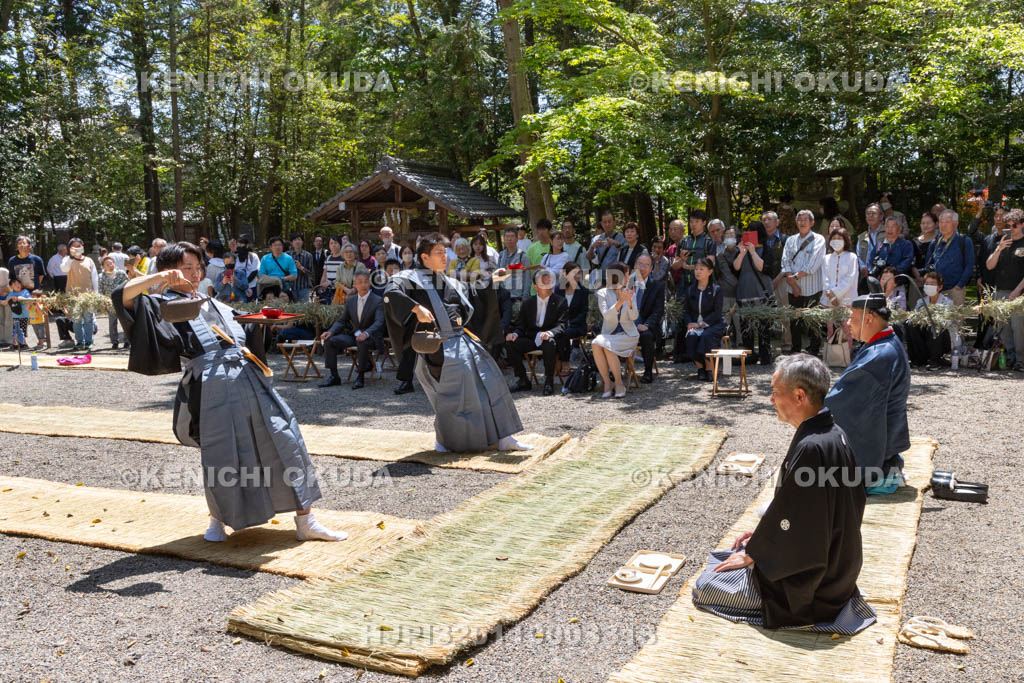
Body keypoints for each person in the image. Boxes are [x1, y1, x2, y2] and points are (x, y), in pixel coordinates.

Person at [113, 241, 347, 543]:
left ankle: (307, 520)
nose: (195, 274)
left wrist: (264, 320)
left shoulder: (213, 302)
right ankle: (217, 520)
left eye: (197, 268)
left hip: (249, 376)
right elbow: (122, 296)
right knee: (222, 453)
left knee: (286, 440)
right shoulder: (162, 305)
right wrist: (160, 279)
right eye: (187, 268)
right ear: (169, 270)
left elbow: (246, 328)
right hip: (211, 385)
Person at [693, 354, 875, 635]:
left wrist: (755, 554)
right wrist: (760, 539)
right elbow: (800, 513)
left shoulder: (813, 446)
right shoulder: (835, 432)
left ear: (799, 395)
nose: (770, 399)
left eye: (775, 392)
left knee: (706, 586)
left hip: (813, 589)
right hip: (840, 570)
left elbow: (794, 519)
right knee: (727, 557)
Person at [382, 233, 530, 452]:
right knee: (456, 397)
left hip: (462, 340)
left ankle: (504, 436)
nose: (444, 257)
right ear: (424, 257)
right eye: (439, 253)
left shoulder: (448, 279)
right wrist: (416, 307)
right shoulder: (408, 277)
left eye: (445, 252)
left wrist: (492, 280)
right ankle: (447, 440)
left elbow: (470, 292)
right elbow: (390, 292)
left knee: (492, 382)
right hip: (438, 347)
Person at [824, 291, 910, 495]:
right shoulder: (886, 342)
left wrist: (814, 408)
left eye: (853, 318)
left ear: (869, 318)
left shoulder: (880, 355)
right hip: (888, 450)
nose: (849, 323)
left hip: (878, 463)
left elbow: (842, 403)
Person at [318, 272, 386, 390]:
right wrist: (331, 331)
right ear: (355, 284)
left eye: (366, 281)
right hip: (354, 335)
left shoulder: (378, 300)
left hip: (372, 337)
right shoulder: (351, 300)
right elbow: (342, 320)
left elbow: (379, 322)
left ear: (370, 283)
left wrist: (366, 333)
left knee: (363, 342)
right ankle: (334, 377)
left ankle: (360, 377)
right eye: (360, 282)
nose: (363, 285)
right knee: (330, 340)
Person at [507, 269, 568, 395]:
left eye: (549, 282)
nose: (548, 286)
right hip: (531, 338)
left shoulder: (560, 301)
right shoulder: (528, 303)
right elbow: (521, 326)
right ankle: (523, 380)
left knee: (549, 342)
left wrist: (549, 333)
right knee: (510, 343)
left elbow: (562, 325)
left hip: (550, 338)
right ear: (536, 287)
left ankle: (548, 381)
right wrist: (515, 334)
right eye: (544, 283)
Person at [780, 210, 826, 356]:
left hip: (813, 286)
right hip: (792, 286)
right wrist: (792, 282)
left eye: (805, 219)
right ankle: (796, 348)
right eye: (799, 219)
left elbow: (813, 263)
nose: (802, 222)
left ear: (812, 223)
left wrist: (796, 278)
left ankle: (814, 349)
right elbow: (785, 260)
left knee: (813, 318)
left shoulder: (819, 239)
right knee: (795, 318)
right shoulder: (790, 240)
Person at [983, 208, 1024, 369]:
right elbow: (989, 265)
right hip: (1000, 291)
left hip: (1019, 294)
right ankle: (1011, 357)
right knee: (1003, 328)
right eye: (1008, 226)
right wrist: (998, 249)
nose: (1010, 229)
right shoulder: (1003, 242)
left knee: (1018, 327)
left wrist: (1017, 291)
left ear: (1022, 225)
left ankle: (1021, 360)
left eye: (1014, 225)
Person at [591, 262, 638, 398]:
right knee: (597, 343)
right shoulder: (602, 293)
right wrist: (620, 302)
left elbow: (634, 316)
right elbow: (607, 315)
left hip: (628, 336)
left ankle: (618, 383)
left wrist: (628, 301)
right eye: (627, 273)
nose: (629, 276)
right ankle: (608, 382)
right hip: (610, 335)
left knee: (605, 345)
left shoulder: (630, 291)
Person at [677, 258, 726, 381]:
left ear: (710, 272)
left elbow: (717, 312)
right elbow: (686, 310)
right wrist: (689, 323)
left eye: (701, 269)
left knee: (707, 336)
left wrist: (701, 324)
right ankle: (700, 368)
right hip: (694, 324)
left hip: (713, 324)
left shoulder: (716, 289)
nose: (698, 272)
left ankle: (709, 368)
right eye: (696, 269)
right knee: (691, 338)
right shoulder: (690, 290)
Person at [734, 222, 776, 365]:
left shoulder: (766, 249)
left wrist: (752, 252)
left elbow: (762, 267)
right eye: (747, 232)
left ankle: (765, 355)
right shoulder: (741, 250)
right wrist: (742, 253)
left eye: (752, 232)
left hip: (761, 292)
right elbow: (736, 267)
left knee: (763, 325)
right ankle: (750, 354)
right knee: (746, 325)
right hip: (744, 291)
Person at [820, 227, 859, 357]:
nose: (836, 241)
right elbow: (825, 278)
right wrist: (830, 295)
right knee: (830, 329)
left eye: (839, 238)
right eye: (834, 239)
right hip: (828, 299)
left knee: (847, 328)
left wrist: (836, 293)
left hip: (847, 298)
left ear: (845, 240)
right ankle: (832, 357)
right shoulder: (826, 258)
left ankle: (846, 356)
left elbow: (850, 278)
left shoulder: (852, 257)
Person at [905, 272, 956, 370]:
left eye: (932, 284)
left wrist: (932, 318)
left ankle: (935, 360)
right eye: (927, 284)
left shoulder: (947, 303)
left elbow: (947, 322)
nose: (929, 286)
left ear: (939, 287)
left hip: (942, 338)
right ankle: (918, 359)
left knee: (935, 324)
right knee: (910, 323)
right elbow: (915, 317)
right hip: (924, 336)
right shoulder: (920, 302)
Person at [924, 209, 973, 306]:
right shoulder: (934, 242)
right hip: (936, 291)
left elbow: (969, 265)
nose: (943, 225)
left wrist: (960, 285)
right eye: (941, 222)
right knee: (936, 320)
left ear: (955, 224)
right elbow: (928, 264)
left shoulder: (964, 241)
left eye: (947, 222)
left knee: (955, 320)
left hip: (955, 290)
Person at [61, 237, 99, 351]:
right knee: (76, 320)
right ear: (70, 248)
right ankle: (79, 342)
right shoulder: (67, 259)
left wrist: (95, 294)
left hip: (88, 295)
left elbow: (94, 278)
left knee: (88, 319)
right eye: (74, 246)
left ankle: (89, 341)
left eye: (79, 246)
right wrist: (71, 257)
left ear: (83, 247)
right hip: (73, 295)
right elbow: (64, 269)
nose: (77, 248)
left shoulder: (89, 260)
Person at [633, 253, 665, 383]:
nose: (642, 268)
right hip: (628, 323)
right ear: (635, 266)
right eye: (640, 264)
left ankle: (647, 371)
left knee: (646, 336)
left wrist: (646, 324)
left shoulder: (657, 286)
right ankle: (613, 370)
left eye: (646, 265)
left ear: (651, 268)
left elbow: (658, 311)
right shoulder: (627, 284)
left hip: (646, 325)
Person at [762, 211, 790, 351]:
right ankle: (766, 347)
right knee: (765, 314)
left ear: (777, 222)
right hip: (763, 281)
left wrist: (779, 278)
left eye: (770, 219)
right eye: (764, 220)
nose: (766, 222)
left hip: (782, 279)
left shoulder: (786, 240)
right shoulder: (760, 240)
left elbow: (790, 261)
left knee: (784, 313)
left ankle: (787, 344)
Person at [672, 209, 715, 296]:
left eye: (697, 221)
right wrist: (682, 260)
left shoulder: (709, 242)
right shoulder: (683, 241)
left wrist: (688, 267)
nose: (693, 224)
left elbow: (710, 266)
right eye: (691, 221)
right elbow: (674, 266)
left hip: (703, 286)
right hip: (683, 287)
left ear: (704, 223)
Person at [556, 261, 590, 368]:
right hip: (561, 324)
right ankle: (555, 362)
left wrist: (570, 323)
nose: (577, 276)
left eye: (578, 273)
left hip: (577, 325)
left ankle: (565, 362)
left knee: (564, 333)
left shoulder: (583, 291)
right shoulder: (558, 289)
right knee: (553, 334)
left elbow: (583, 312)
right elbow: (555, 310)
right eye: (573, 273)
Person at [715, 226, 742, 345]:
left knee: (740, 323)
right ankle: (725, 348)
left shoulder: (742, 252)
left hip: (741, 295)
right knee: (725, 323)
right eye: (726, 236)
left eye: (732, 235)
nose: (729, 238)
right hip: (725, 293)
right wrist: (742, 285)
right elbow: (726, 274)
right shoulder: (720, 255)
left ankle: (741, 347)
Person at [587, 211, 627, 287]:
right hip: (601, 278)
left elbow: (626, 256)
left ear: (614, 222)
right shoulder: (597, 238)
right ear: (601, 224)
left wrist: (616, 244)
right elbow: (589, 257)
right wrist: (592, 247)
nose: (607, 224)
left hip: (617, 278)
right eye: (605, 222)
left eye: (609, 221)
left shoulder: (622, 238)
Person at [98, 255, 130, 349]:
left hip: (122, 301)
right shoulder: (101, 276)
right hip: (110, 302)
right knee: (112, 323)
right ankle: (114, 341)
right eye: (107, 264)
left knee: (125, 321)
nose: (110, 265)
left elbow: (128, 284)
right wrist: (103, 302)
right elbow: (100, 290)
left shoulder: (121, 273)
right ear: (103, 266)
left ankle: (127, 341)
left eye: (111, 263)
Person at [3, 278, 32, 349]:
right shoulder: (11, 293)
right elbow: (5, 302)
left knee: (23, 329)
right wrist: (11, 298)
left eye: (18, 283)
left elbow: (30, 300)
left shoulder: (25, 291)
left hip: (24, 314)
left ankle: (24, 344)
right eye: (15, 284)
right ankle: (17, 344)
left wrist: (21, 298)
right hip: (15, 315)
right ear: (11, 287)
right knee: (16, 329)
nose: (17, 285)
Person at [233, 236, 260, 301]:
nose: (239, 246)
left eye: (241, 244)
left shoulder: (253, 256)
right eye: (238, 245)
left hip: (251, 286)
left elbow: (255, 271)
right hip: (238, 287)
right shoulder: (235, 257)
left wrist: (244, 283)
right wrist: (239, 284)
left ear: (247, 245)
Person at [289, 233, 314, 302]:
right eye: (295, 240)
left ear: (302, 242)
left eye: (299, 239)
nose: (297, 241)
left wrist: (301, 267)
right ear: (291, 243)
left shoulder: (308, 256)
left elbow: (311, 274)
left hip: (304, 288)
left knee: (303, 310)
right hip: (290, 288)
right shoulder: (287, 255)